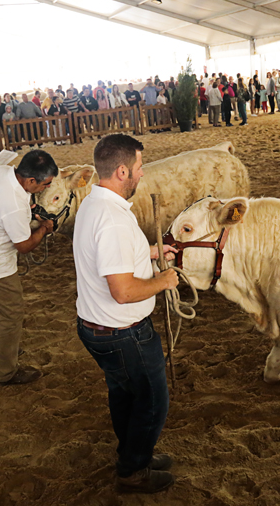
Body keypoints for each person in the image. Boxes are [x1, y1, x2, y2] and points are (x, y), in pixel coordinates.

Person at [73, 134, 179, 494]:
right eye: (138, 167)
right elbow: (123, 291)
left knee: (124, 394)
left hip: (97, 327)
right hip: (122, 332)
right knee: (153, 401)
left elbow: (110, 255)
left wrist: (149, 252)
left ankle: (134, 452)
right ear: (122, 171)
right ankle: (133, 470)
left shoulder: (94, 203)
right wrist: (163, 281)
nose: (142, 173)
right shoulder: (113, 220)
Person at [0, 149, 57, 385]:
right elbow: (24, 246)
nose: (46, 188)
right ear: (31, 180)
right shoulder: (14, 203)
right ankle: (7, 371)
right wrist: (44, 229)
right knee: (12, 314)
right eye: (45, 184)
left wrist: (29, 211)